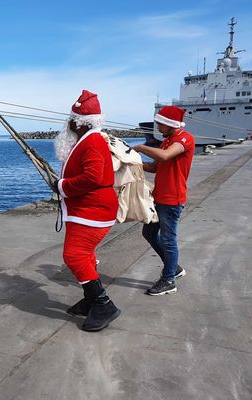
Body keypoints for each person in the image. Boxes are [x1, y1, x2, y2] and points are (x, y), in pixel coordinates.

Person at [52, 90, 121, 332]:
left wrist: (62, 186)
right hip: (88, 209)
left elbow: (92, 177)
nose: (68, 123)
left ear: (79, 122)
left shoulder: (91, 141)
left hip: (92, 210)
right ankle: (91, 299)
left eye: (71, 119)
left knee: (75, 256)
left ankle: (103, 304)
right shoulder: (90, 139)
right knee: (86, 255)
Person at [132, 106, 195, 295]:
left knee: (168, 240)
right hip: (159, 196)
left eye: (160, 123)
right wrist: (134, 163)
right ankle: (173, 267)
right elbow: (156, 167)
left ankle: (169, 280)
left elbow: (166, 156)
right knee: (149, 233)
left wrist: (142, 147)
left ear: (170, 124)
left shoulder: (185, 139)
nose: (157, 127)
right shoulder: (166, 142)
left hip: (172, 198)